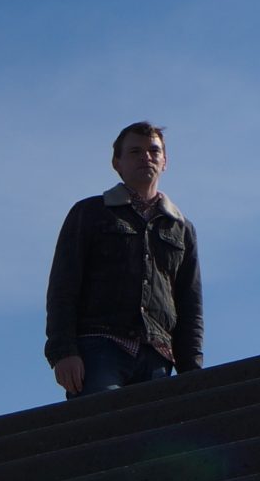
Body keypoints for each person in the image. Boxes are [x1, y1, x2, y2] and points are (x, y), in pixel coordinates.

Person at [44, 121, 203, 396]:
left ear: (165, 161)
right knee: (102, 428)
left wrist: (193, 373)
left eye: (154, 151)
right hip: (99, 348)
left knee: (152, 435)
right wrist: (63, 352)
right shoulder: (91, 212)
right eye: (135, 152)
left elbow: (190, 304)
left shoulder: (181, 228)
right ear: (117, 162)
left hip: (158, 356)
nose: (146, 157)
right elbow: (63, 285)